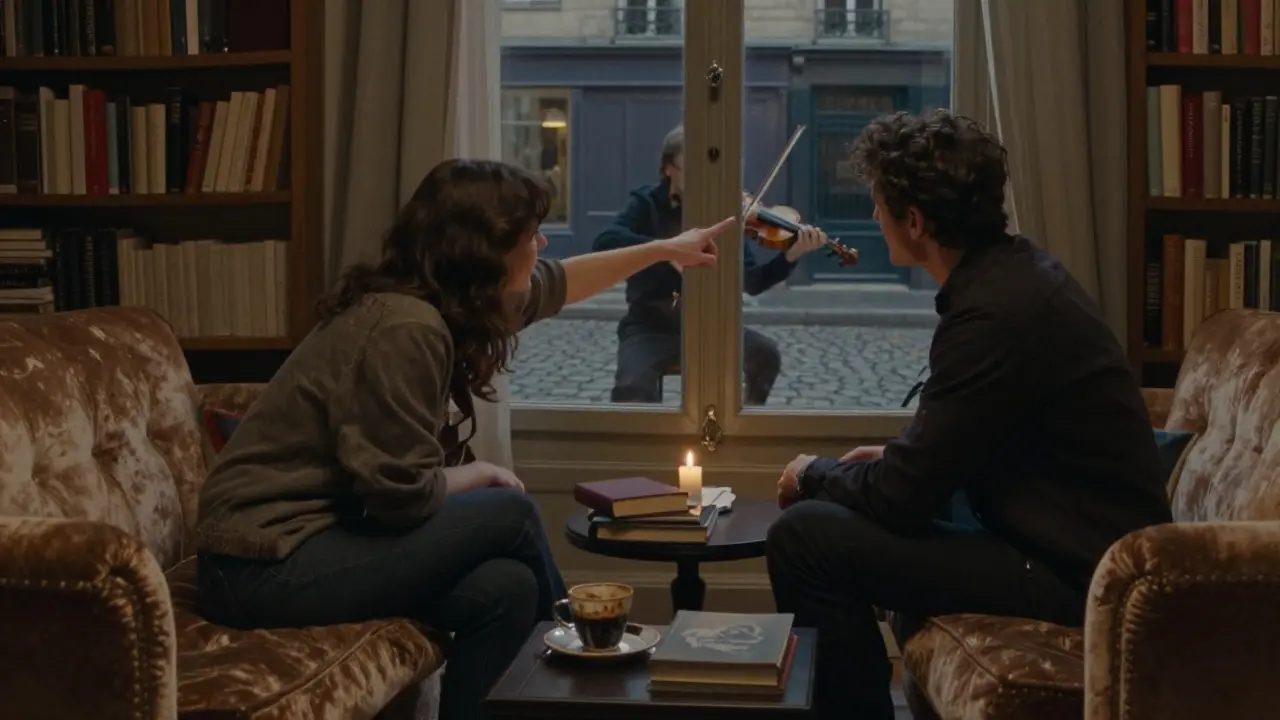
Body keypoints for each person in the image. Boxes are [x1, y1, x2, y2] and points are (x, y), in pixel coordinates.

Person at [193, 159, 736, 720]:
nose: (542, 243)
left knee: (505, 590)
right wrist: (477, 475)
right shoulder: (407, 328)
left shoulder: (444, 305)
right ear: (486, 250)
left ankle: (571, 662)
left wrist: (666, 250)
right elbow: (399, 494)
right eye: (531, 235)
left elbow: (562, 281)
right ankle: (590, 672)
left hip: (312, 544)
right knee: (509, 510)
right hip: (259, 566)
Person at [765, 110, 1172, 720]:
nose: (873, 217)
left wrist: (814, 472)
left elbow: (901, 497)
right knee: (848, 506)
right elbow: (970, 436)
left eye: (879, 205)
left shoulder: (992, 317)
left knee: (802, 538)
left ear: (915, 222)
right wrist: (898, 461)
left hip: (1074, 573)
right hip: (1052, 530)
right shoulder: (1014, 274)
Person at [592, 124, 827, 404]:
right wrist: (667, 251)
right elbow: (605, 241)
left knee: (766, 355)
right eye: (691, 168)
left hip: (714, 326)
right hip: (651, 326)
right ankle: (652, 444)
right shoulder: (647, 202)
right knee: (631, 388)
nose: (702, 177)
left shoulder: (727, 212)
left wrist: (789, 257)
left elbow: (751, 282)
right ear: (669, 169)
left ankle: (740, 424)